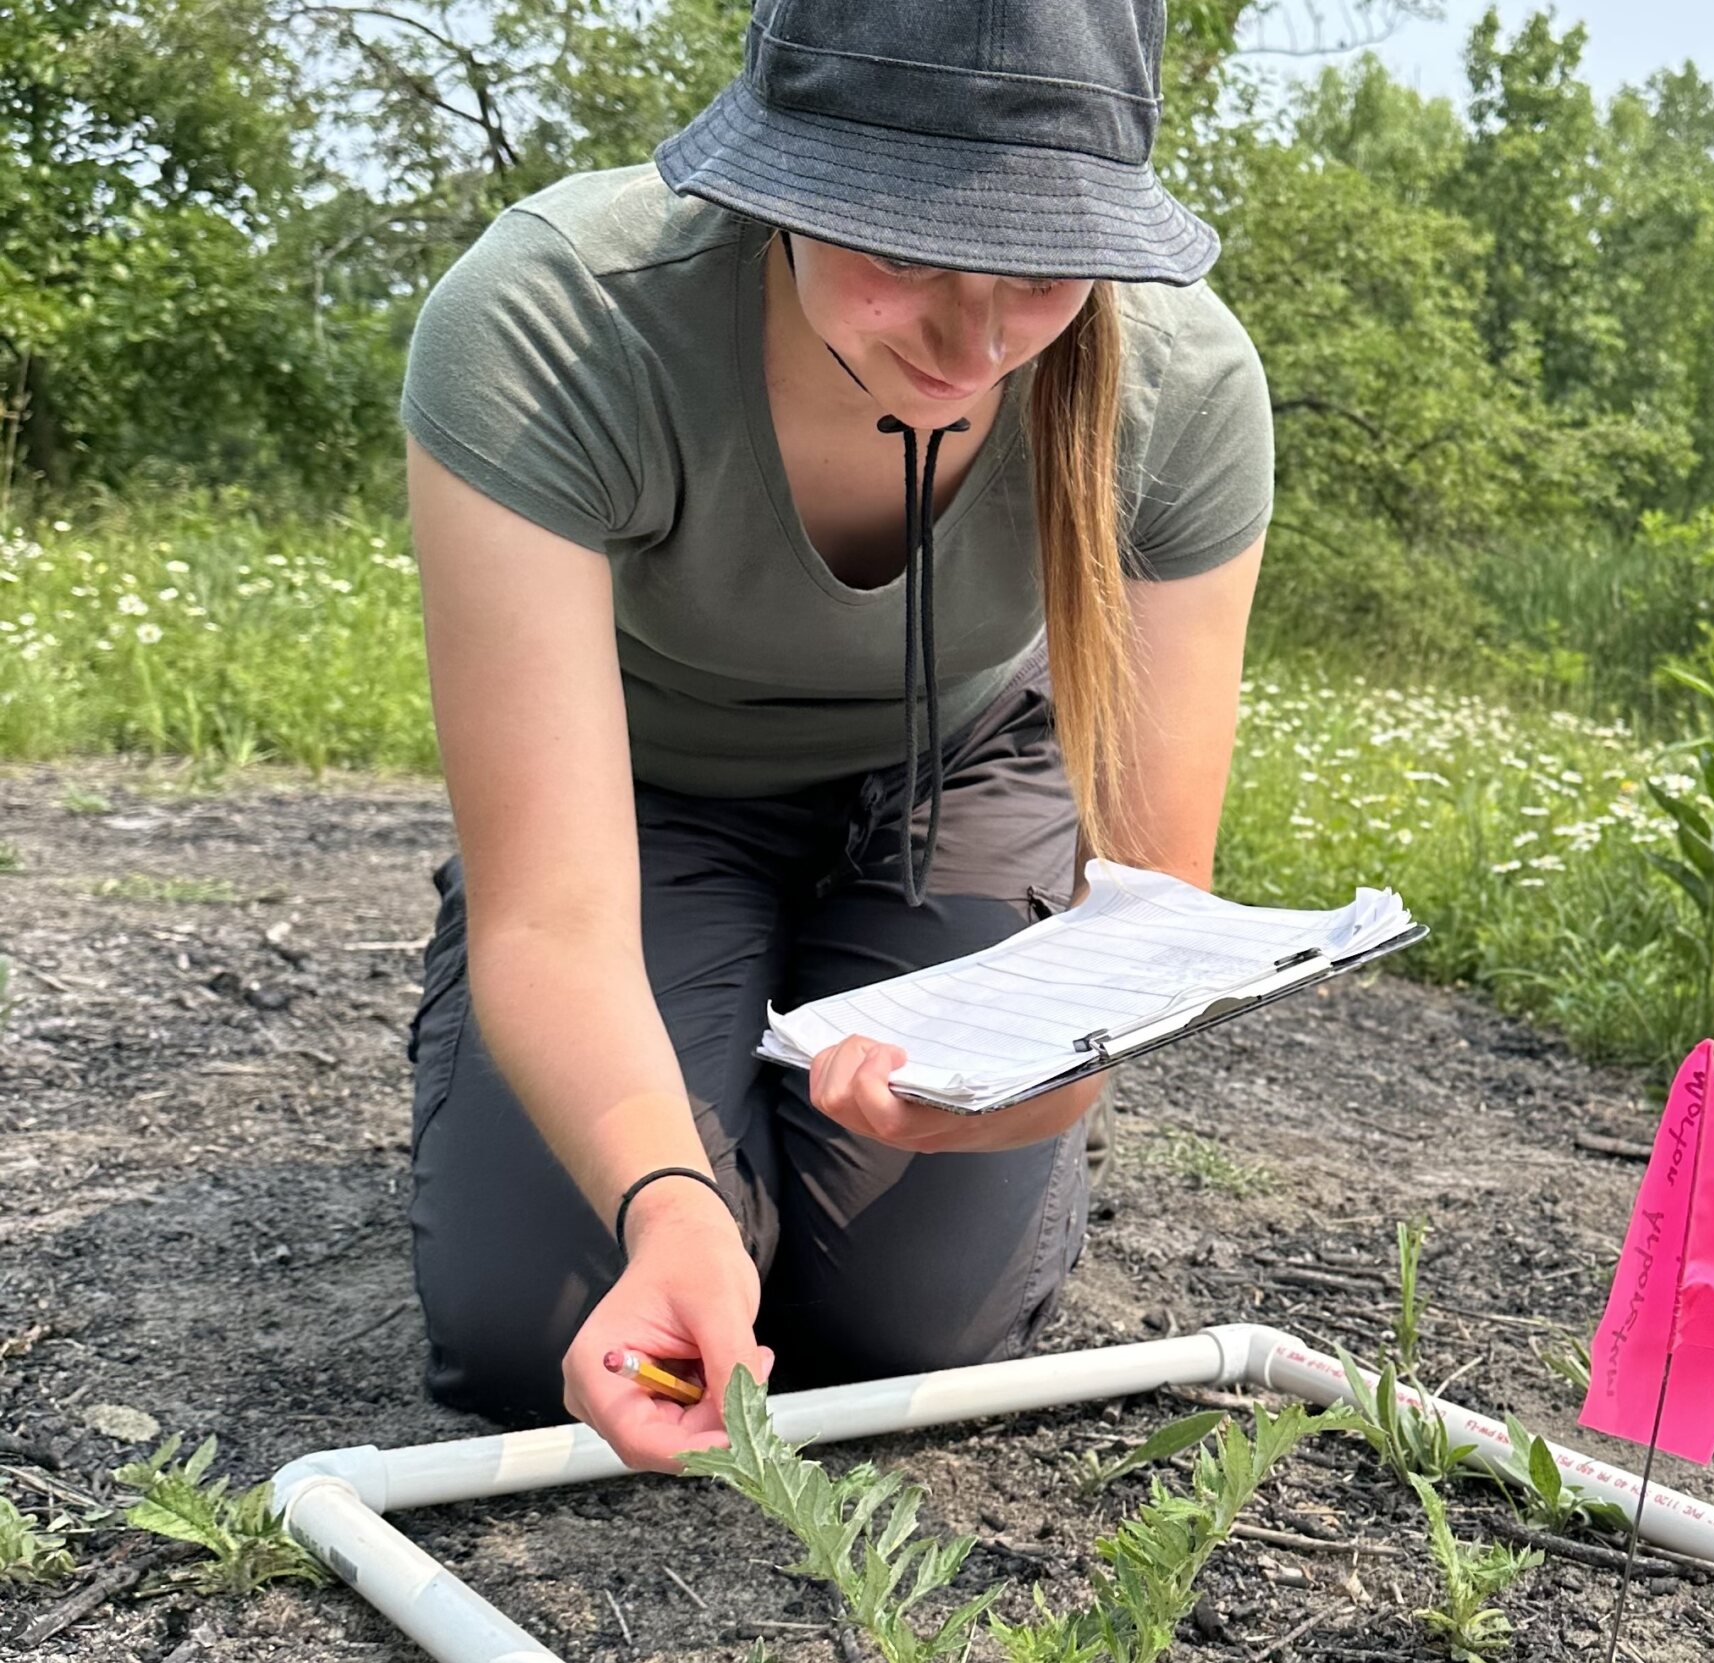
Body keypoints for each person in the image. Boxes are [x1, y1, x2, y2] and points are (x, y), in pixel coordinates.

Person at [398, 0, 1271, 1472]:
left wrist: (1035, 1091)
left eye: (1048, 267)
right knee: (534, 1327)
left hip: (970, 780)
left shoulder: (1183, 394)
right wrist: (669, 1204)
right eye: (902, 247)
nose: (977, 338)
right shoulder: (555, 321)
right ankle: (691, 1083)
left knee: (897, 1330)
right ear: (776, 185)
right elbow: (554, 910)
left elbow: (1149, 910)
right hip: (648, 793)